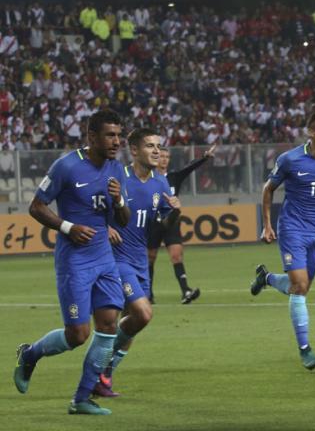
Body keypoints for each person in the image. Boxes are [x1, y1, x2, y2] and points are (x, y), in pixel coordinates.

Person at [14, 109, 130, 415]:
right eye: (110, 135)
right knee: (77, 335)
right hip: (74, 261)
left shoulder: (116, 169)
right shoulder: (66, 166)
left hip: (105, 259)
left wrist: (119, 201)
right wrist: (67, 227)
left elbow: (124, 218)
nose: (117, 141)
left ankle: (81, 399)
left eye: (119, 135)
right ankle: (30, 355)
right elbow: (36, 206)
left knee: (107, 327)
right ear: (92, 136)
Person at [249, 111, 315, 370]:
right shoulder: (290, 159)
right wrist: (267, 225)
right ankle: (305, 349)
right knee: (299, 287)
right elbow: (268, 189)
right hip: (292, 229)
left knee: (302, 286)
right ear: (311, 132)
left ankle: (267, 278)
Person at [93, 128, 181, 398]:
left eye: (158, 146)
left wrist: (175, 211)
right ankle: (101, 371)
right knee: (143, 314)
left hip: (139, 259)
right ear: (134, 150)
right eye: (150, 146)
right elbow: (93, 207)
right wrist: (104, 229)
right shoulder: (118, 176)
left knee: (129, 322)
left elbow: (161, 226)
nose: (157, 151)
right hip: (116, 258)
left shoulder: (161, 183)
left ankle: (102, 377)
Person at [147, 144, 216, 304]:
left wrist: (204, 157)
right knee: (150, 258)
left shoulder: (174, 177)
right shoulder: (148, 178)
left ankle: (185, 291)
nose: (164, 159)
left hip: (171, 221)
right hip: (153, 222)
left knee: (176, 255)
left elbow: (189, 168)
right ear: (155, 159)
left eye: (167, 157)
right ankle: (148, 294)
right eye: (161, 157)